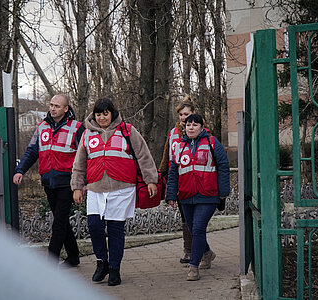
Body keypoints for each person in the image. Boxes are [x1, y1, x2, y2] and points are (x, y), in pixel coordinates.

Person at [71, 98, 158, 286]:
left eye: (105, 113)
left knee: (115, 229)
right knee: (94, 226)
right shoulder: (87, 134)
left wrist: (151, 180)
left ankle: (114, 269)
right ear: (94, 115)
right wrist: (77, 187)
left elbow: (144, 155)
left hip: (122, 189)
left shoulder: (127, 130)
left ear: (112, 113)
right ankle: (102, 262)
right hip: (95, 189)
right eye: (98, 114)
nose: (102, 117)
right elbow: (79, 164)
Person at [13, 93, 84, 267]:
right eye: (51, 105)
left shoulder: (77, 128)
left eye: (57, 106)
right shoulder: (42, 127)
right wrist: (20, 170)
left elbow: (85, 157)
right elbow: (32, 151)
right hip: (48, 182)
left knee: (58, 223)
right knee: (62, 220)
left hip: (68, 182)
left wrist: (82, 184)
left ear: (66, 109)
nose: (52, 108)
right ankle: (74, 257)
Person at [165, 114, 230, 281]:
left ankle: (193, 267)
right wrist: (171, 195)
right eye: (188, 124)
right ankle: (207, 253)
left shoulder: (211, 142)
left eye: (195, 124)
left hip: (208, 195)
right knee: (193, 230)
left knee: (199, 228)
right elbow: (173, 173)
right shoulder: (178, 147)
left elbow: (223, 166)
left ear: (202, 127)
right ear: (184, 127)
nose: (191, 127)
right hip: (186, 195)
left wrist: (223, 191)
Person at [158, 96, 196, 264]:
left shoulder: (200, 130)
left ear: (193, 113)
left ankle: (200, 249)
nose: (183, 117)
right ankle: (188, 250)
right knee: (185, 216)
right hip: (179, 178)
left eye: (186, 114)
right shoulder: (173, 133)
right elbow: (167, 154)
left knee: (197, 218)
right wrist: (162, 174)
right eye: (181, 114)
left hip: (196, 179)